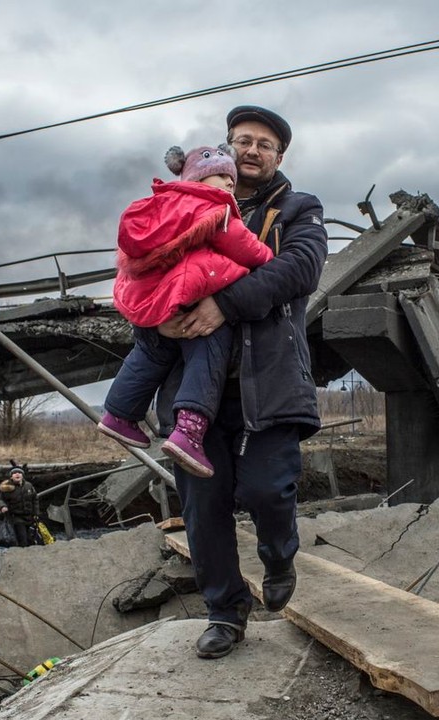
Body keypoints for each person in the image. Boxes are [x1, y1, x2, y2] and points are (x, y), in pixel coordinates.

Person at [156, 106, 327, 659]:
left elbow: (299, 270)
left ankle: (279, 555)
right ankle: (225, 614)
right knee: (203, 509)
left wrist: (223, 303)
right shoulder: (183, 203)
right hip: (193, 394)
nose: (252, 151)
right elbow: (145, 266)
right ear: (226, 148)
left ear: (279, 157)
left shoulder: (299, 209)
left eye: (264, 145)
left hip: (270, 382)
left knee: (265, 490)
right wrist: (155, 312)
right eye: (242, 141)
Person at [98, 144, 274, 478]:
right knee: (208, 352)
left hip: (157, 298)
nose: (227, 185)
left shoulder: (163, 205)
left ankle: (118, 413)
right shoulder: (214, 210)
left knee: (150, 353)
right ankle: (189, 432)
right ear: (197, 178)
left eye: (230, 179)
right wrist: (269, 259)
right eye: (220, 176)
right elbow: (245, 247)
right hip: (190, 293)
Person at [0, 467, 40, 547]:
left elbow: (35, 499)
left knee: (30, 538)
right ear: (11, 477)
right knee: (22, 538)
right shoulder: (7, 487)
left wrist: (36, 513)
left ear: (22, 476)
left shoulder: (28, 486)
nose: (17, 474)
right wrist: (2, 506)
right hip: (16, 517)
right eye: (15, 473)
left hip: (29, 516)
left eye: (19, 473)